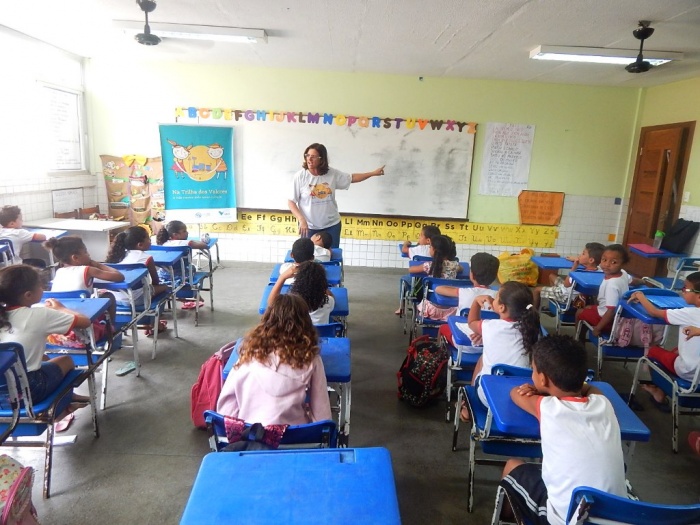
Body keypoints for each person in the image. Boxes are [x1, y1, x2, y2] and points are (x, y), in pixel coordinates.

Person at [498, 334, 626, 525]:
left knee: (513, 466)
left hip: (566, 520)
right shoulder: (604, 405)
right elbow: (591, 390)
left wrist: (538, 391)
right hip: (619, 517)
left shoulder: (549, 408)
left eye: (533, 370)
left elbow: (516, 394)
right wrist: (576, 384)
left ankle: (511, 518)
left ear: (542, 379)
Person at [217, 293, 332, 426]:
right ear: (306, 323)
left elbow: (225, 409)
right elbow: (322, 417)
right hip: (294, 436)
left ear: (267, 320)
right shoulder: (311, 360)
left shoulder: (248, 354)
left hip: (249, 433)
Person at [0, 265, 92, 412]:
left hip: (2, 396)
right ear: (28, 295)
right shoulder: (40, 315)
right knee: (66, 360)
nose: (43, 288)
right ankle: (63, 404)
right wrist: (60, 308)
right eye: (40, 285)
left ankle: (68, 398)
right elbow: (85, 322)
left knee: (43, 357)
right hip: (28, 392)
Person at [461, 281, 541, 419]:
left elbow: (471, 322)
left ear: (502, 307)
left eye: (497, 296)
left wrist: (476, 302)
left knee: (482, 359)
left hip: (489, 398)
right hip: (524, 399)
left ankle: (470, 401)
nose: (494, 298)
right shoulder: (533, 330)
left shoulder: (491, 326)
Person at [287, 143, 385, 249]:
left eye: (313, 156)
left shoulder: (332, 174)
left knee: (332, 254)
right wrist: (301, 220)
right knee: (308, 257)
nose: (309, 159)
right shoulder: (300, 177)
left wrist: (373, 173)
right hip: (309, 227)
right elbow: (291, 202)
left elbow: (352, 178)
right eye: (307, 155)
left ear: (321, 159)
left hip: (331, 226)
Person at [627, 271, 700, 411]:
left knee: (653, 351)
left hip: (688, 372)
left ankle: (658, 391)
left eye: (686, 289)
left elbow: (653, 312)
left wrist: (640, 296)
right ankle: (660, 388)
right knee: (676, 351)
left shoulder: (689, 313)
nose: (682, 291)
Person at [44, 236, 124, 343]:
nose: (89, 255)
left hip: (58, 333)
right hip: (85, 333)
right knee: (108, 296)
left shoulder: (59, 272)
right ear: (75, 258)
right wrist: (97, 264)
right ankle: (110, 328)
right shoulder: (88, 269)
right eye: (86, 252)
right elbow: (119, 276)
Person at [105, 226, 169, 335]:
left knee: (144, 288)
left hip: (115, 298)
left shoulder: (117, 256)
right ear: (140, 245)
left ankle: (151, 323)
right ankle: (155, 324)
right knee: (165, 288)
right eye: (148, 238)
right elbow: (155, 281)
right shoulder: (146, 258)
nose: (150, 240)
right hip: (136, 299)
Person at [436, 252, 500, 347]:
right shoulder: (498, 297)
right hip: (488, 344)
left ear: (472, 275)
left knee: (443, 328)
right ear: (494, 277)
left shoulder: (464, 292)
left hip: (461, 343)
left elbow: (438, 289)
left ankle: (439, 352)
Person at [575, 244, 630, 338]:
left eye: (613, 262)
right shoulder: (623, 273)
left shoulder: (612, 285)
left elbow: (611, 311)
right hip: (620, 316)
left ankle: (579, 341)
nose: (607, 264)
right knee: (587, 307)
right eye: (604, 260)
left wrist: (598, 328)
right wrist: (642, 281)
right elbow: (632, 280)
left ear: (623, 264)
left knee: (579, 313)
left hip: (608, 320)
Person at [532, 242, 604, 311]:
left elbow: (566, 284)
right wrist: (576, 259)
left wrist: (574, 267)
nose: (580, 255)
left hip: (566, 295)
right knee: (551, 276)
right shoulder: (599, 271)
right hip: (572, 291)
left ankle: (533, 314)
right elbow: (591, 264)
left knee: (536, 290)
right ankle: (553, 302)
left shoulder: (578, 274)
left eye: (583, 253)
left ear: (591, 260)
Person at [154, 220, 208, 307]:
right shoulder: (185, 243)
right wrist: (203, 240)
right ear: (175, 235)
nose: (187, 232)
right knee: (193, 268)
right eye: (184, 231)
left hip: (164, 275)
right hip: (182, 275)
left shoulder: (163, 243)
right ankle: (195, 295)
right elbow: (204, 245)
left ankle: (184, 297)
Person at [410, 235, 462, 317]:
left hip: (431, 309)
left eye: (430, 247)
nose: (429, 248)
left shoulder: (429, 266)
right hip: (450, 311)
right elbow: (461, 268)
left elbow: (411, 270)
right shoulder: (454, 265)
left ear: (434, 250)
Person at [268, 261, 335, 325]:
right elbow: (332, 297)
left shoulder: (291, 303)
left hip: (297, 333)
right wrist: (320, 285)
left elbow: (272, 303)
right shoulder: (328, 301)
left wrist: (282, 277)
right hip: (319, 333)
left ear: (297, 281)